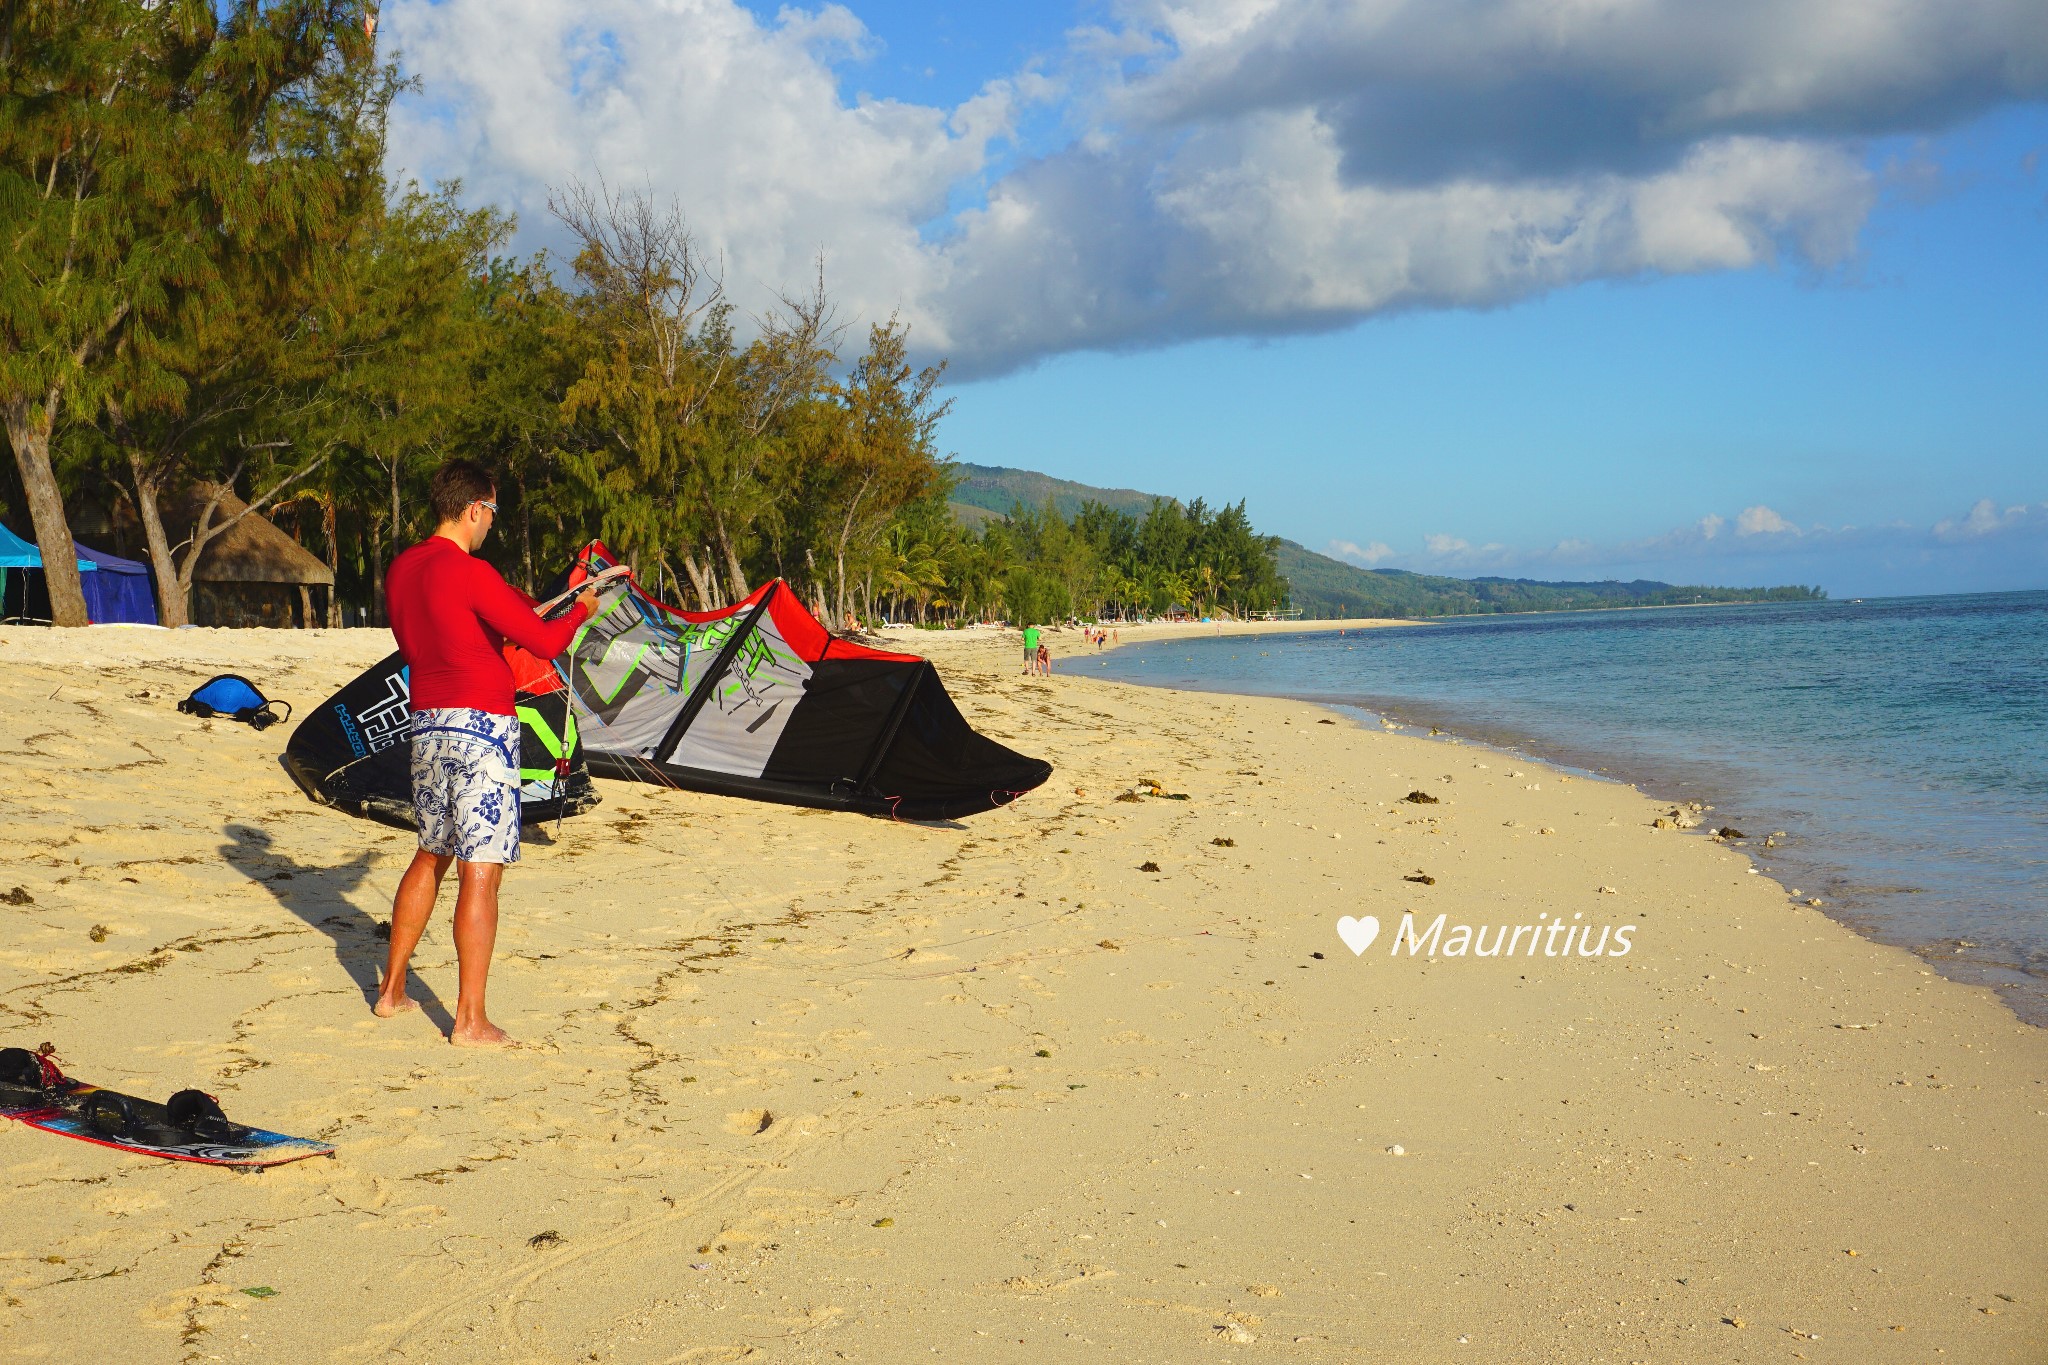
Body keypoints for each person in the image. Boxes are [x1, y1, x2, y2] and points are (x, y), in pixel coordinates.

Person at [374, 460, 598, 1046]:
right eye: (492, 513)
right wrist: (581, 612)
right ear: (475, 508)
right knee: (481, 871)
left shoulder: (401, 570)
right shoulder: (468, 570)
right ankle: (469, 1020)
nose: (491, 525)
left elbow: (431, 639)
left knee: (430, 852)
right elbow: (546, 641)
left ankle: (392, 990)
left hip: (427, 722)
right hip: (481, 724)